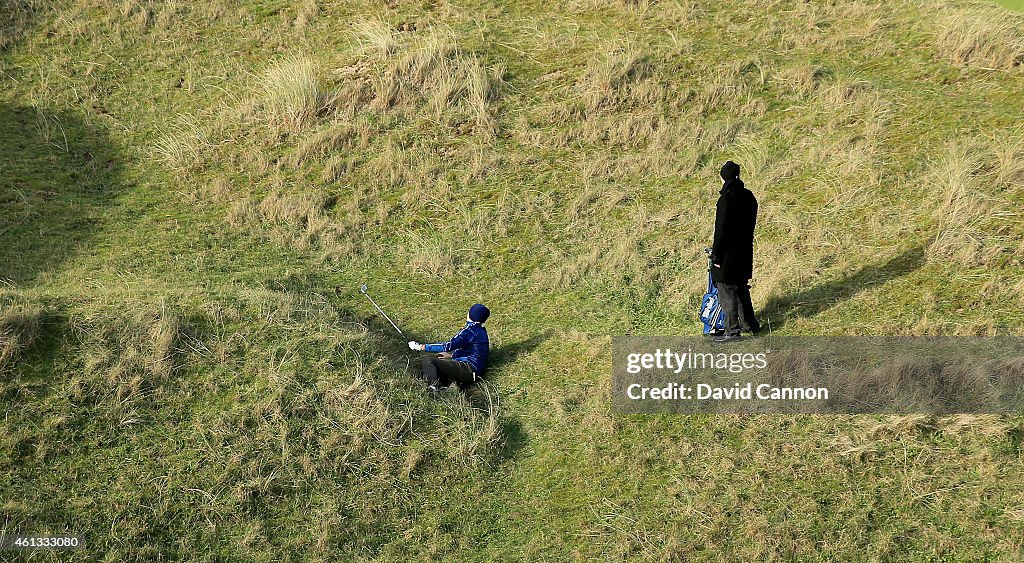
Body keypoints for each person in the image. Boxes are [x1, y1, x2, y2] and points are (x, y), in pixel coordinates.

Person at [710, 161, 760, 342]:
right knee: (741, 289)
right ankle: (750, 325)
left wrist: (716, 255)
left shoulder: (726, 199)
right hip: (745, 250)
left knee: (727, 290)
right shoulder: (749, 196)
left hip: (728, 254)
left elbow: (721, 230)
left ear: (723, 177)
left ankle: (732, 331)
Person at [408, 304, 490, 391]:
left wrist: (421, 347)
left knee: (428, 361)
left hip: (468, 370)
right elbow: (472, 351)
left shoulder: (470, 331)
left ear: (470, 315)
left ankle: (433, 389)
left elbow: (447, 346)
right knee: (432, 367)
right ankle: (447, 387)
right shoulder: (480, 330)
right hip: (472, 372)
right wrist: (451, 356)